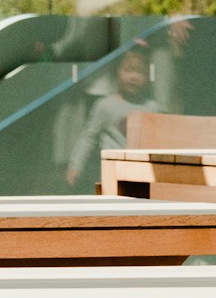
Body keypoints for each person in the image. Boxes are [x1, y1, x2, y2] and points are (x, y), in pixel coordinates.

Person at [65, 41, 153, 190]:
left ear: (147, 77)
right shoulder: (105, 105)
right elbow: (88, 137)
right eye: (128, 70)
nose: (134, 77)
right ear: (117, 71)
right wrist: (75, 166)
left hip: (141, 174)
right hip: (112, 172)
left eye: (140, 72)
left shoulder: (151, 107)